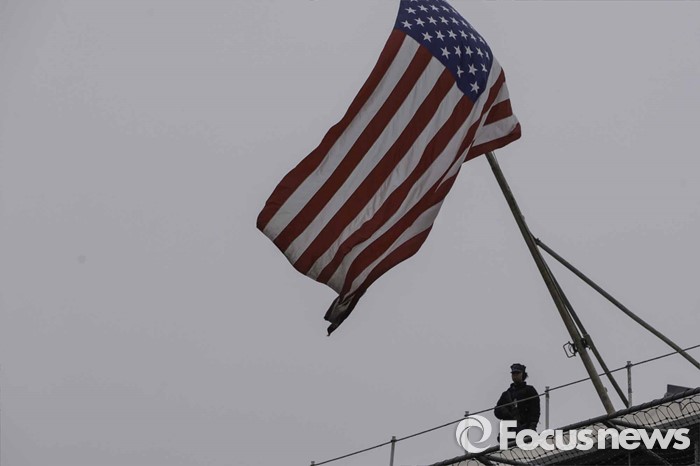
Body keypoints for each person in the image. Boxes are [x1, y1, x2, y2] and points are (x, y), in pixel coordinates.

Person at [494, 363, 540, 433]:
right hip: (509, 429)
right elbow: (497, 411)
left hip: (525, 427)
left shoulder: (529, 390)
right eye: (513, 373)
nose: (515, 375)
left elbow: (535, 410)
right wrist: (505, 412)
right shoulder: (506, 394)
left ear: (523, 374)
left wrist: (532, 426)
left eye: (517, 373)